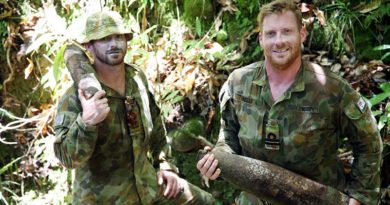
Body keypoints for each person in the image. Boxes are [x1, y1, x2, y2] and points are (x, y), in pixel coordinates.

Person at [196, 1, 383, 205]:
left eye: (286, 32)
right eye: (270, 34)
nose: (279, 41)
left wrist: (359, 196)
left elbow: (369, 143)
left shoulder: (331, 90)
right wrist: (219, 158)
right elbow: (228, 135)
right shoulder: (239, 83)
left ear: (301, 34)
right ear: (260, 39)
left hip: (317, 199)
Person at [53, 10, 215, 205]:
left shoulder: (136, 79)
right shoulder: (76, 97)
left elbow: (155, 124)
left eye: (118, 37)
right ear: (89, 46)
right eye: (104, 39)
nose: (113, 44)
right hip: (103, 200)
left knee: (203, 201)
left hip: (147, 188)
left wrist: (165, 166)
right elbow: (67, 158)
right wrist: (87, 122)